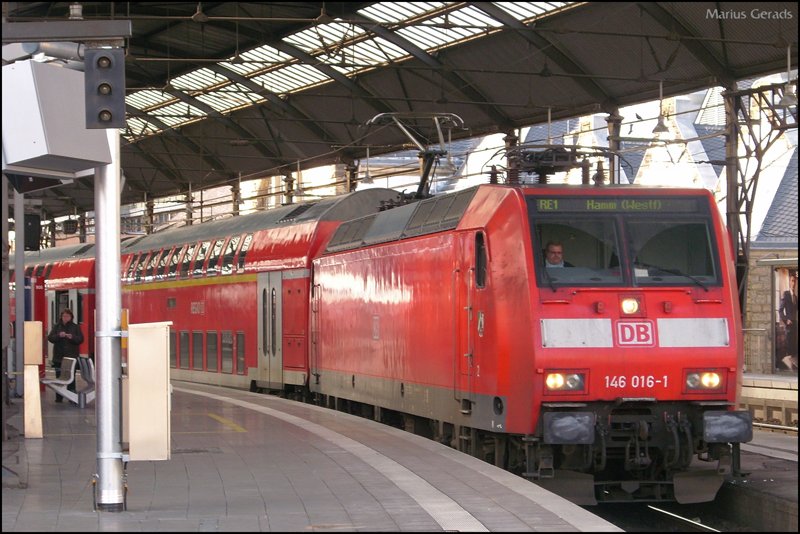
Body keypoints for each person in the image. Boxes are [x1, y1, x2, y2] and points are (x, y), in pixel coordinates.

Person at [47, 308, 84, 403]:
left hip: (71, 356)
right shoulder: (57, 326)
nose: (65, 318)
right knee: (59, 377)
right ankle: (59, 397)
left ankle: (72, 397)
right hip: (58, 357)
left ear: (71, 317)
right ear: (61, 317)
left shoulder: (75, 327)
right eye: (64, 316)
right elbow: (50, 338)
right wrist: (59, 335)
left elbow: (80, 339)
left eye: (67, 316)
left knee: (71, 377)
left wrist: (72, 337)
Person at [779, 272, 798, 371]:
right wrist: (786, 320)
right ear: (789, 282)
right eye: (792, 281)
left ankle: (793, 368)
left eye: (795, 281)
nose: (793, 283)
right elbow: (780, 310)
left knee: (794, 346)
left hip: (795, 325)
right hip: (789, 325)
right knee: (789, 346)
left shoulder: (795, 296)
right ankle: (788, 367)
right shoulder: (786, 294)